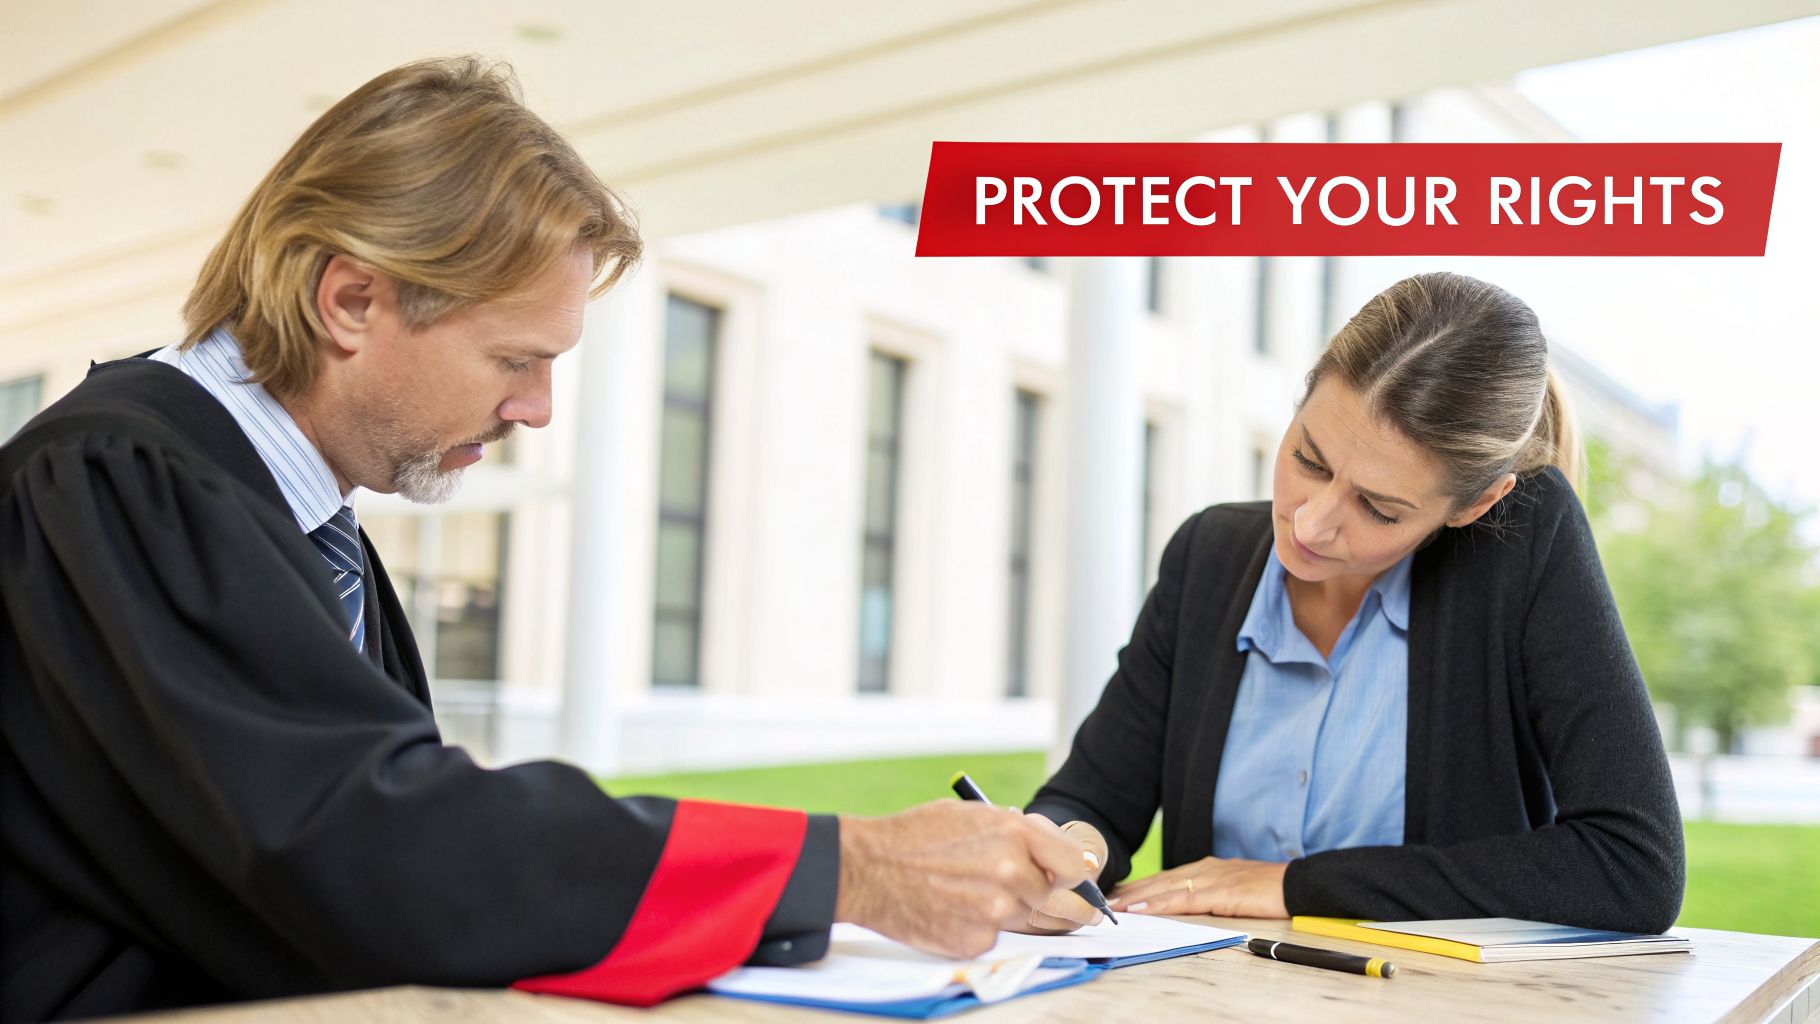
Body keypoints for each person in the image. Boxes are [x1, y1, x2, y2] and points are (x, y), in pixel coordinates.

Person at [0, 57, 1092, 1023]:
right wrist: (846, 867)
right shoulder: (115, 482)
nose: (536, 410)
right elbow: (369, 851)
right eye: (514, 357)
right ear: (349, 299)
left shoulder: (290, 518)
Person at [1016, 272, 1684, 937]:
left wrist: (1297, 888)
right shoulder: (1208, 556)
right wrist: (1067, 852)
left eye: (1379, 508)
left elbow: (1634, 866)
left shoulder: (1517, 549)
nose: (1310, 524)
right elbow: (1091, 794)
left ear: (1474, 505)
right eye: (1308, 459)